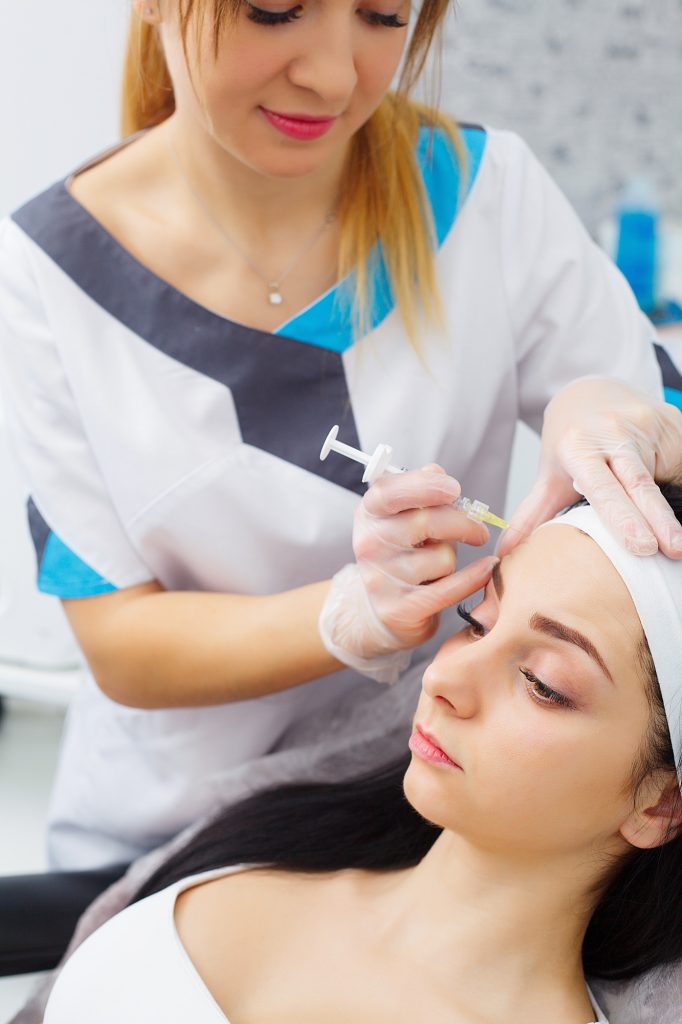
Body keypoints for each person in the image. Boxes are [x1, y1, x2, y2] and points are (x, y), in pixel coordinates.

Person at [1, 0, 681, 871]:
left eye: (381, 15)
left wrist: (622, 413)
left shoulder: (488, 196)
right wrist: (347, 614)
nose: (332, 74)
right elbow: (122, 645)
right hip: (167, 836)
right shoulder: (48, 274)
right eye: (274, 11)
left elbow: (662, 464)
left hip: (439, 817)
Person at [41, 477, 682, 1024]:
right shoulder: (267, 839)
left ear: (662, 802)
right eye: (477, 623)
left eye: (542, 683)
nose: (441, 680)